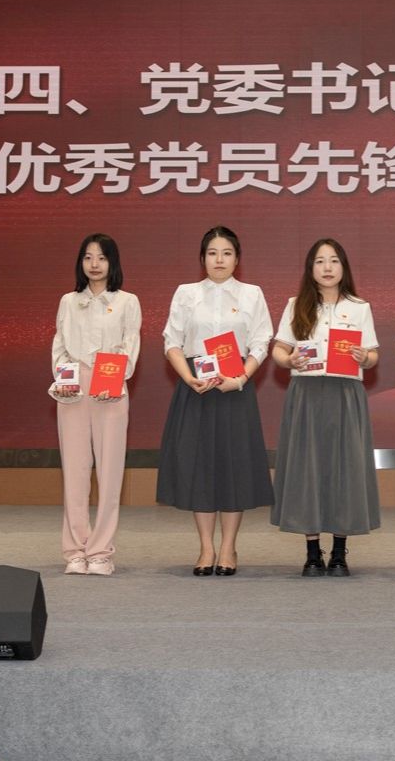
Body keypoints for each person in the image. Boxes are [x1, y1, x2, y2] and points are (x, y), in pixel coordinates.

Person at [157, 226, 276, 576]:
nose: (219, 260)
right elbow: (172, 342)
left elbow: (260, 342)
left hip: (235, 388)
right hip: (196, 388)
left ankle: (228, 548)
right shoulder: (186, 293)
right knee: (201, 469)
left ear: (237, 259)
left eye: (226, 253)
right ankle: (206, 548)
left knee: (233, 467)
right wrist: (187, 377)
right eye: (212, 253)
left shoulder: (252, 294)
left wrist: (240, 379)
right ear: (202, 258)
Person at [270, 238, 380, 577]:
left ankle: (340, 551)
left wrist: (365, 357)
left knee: (345, 468)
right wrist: (288, 359)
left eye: (334, 261)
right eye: (320, 261)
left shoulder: (359, 307)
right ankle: (312, 551)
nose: (327, 267)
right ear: (311, 268)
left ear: (343, 267)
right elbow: (278, 349)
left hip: (346, 394)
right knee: (308, 468)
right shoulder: (296, 305)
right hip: (306, 393)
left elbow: (373, 355)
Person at [50, 233, 142, 576]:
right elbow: (60, 346)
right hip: (74, 388)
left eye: (102, 257)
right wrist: (64, 379)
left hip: (110, 385)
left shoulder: (128, 301)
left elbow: (129, 344)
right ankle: (75, 550)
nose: (94, 264)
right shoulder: (68, 301)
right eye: (88, 257)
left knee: (110, 472)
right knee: (74, 473)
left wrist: (114, 380)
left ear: (112, 262)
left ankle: (101, 551)